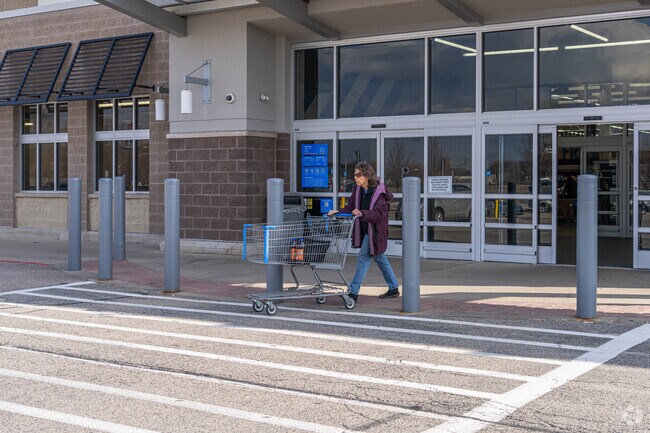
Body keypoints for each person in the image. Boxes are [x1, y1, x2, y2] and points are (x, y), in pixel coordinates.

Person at [328, 161, 399, 302]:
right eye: (355, 175)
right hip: (366, 230)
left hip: (376, 232)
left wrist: (362, 213)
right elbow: (351, 207)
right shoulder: (358, 190)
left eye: (358, 175)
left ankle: (353, 292)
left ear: (366, 175)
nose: (355, 178)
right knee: (379, 257)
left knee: (362, 258)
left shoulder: (380, 192)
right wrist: (338, 211)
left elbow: (379, 214)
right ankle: (393, 288)